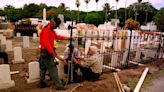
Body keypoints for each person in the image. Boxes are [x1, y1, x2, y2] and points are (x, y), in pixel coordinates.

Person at [39, 18, 69, 90]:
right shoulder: (47, 30)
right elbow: (46, 43)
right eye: (56, 25)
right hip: (47, 52)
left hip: (44, 52)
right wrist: (52, 53)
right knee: (53, 69)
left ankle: (42, 83)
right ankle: (59, 86)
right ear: (53, 23)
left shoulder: (51, 29)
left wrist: (67, 38)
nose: (56, 27)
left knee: (43, 68)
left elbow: (57, 36)